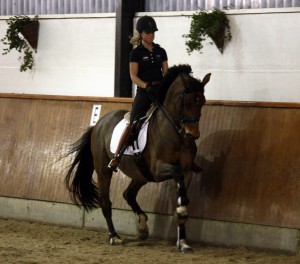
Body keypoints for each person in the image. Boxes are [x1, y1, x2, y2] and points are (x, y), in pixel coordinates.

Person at [108, 15, 169, 172]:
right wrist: (146, 86)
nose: (151, 35)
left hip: (159, 91)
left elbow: (166, 72)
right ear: (141, 33)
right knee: (133, 122)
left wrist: (167, 85)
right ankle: (117, 156)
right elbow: (133, 76)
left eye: (153, 33)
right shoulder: (136, 54)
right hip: (144, 93)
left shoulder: (161, 51)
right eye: (148, 33)